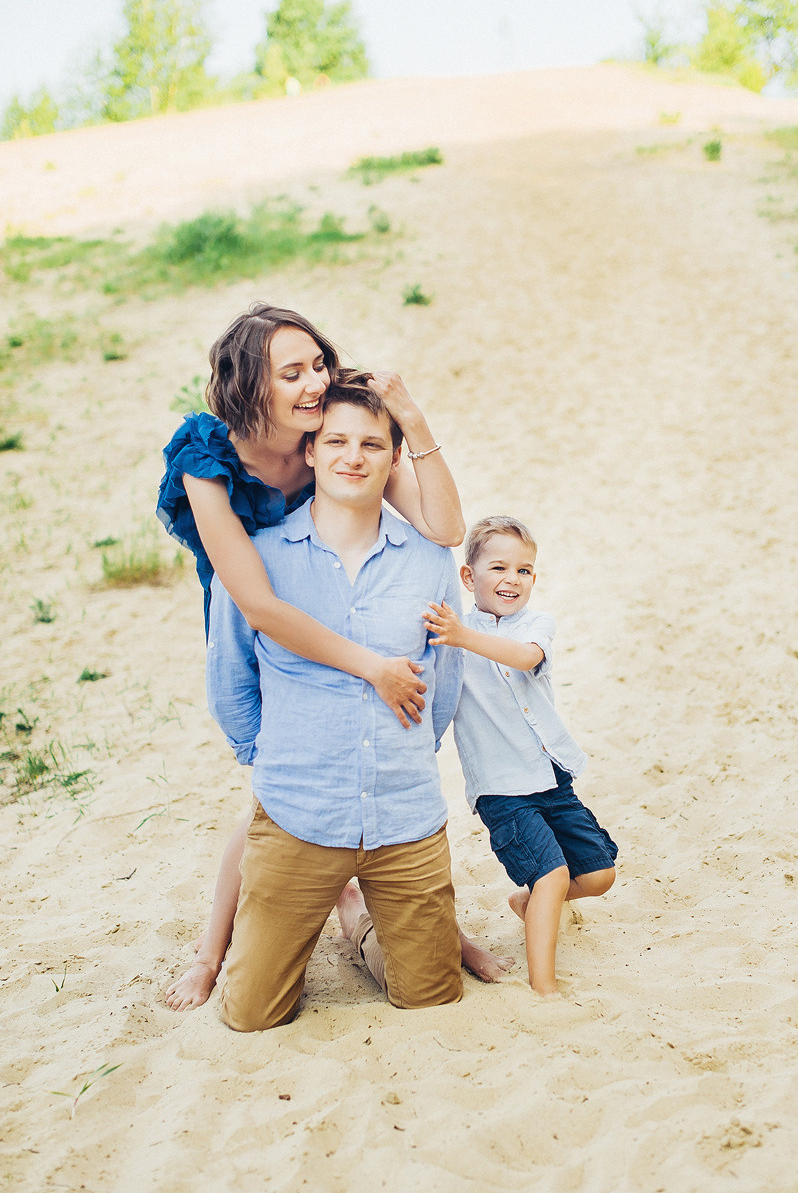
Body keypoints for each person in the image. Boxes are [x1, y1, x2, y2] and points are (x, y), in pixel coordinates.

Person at [157, 304, 509, 1010]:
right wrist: (371, 671)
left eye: (317, 362)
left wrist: (412, 422)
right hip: (256, 585)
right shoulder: (206, 456)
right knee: (276, 791)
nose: (313, 380)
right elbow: (257, 608)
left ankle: (401, 917)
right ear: (250, 386)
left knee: (356, 769)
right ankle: (210, 951)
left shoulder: (332, 425)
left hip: (347, 575)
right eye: (291, 373)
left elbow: (441, 528)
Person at [207, 381, 465, 1030]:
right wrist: (272, 759)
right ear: (312, 455)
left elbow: (446, 676)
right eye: (338, 441)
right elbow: (230, 677)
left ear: (392, 460)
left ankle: (356, 926)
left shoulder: (428, 562)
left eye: (372, 444)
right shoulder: (257, 559)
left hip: (404, 817)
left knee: (431, 996)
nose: (354, 456)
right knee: (252, 1016)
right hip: (299, 813)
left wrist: (403, 752)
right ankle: (301, 914)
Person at [423, 515, 617, 999]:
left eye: (524, 570)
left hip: (550, 776)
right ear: (469, 577)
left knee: (598, 875)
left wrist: (463, 637)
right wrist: (456, 636)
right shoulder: (452, 631)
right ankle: (544, 986)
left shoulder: (534, 624)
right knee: (551, 874)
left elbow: (526, 657)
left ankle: (527, 902)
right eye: (498, 568)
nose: (512, 579)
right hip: (502, 788)